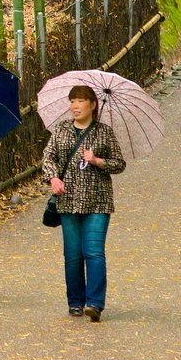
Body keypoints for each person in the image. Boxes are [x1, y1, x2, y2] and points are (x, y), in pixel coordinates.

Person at [40, 84, 126, 321]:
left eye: (80, 101)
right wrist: (53, 177)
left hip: (97, 201)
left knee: (94, 252)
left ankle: (95, 303)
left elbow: (119, 164)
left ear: (93, 104)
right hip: (67, 201)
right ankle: (75, 302)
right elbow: (48, 157)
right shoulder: (61, 130)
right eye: (72, 101)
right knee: (73, 255)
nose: (75, 106)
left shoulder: (104, 132)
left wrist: (97, 160)